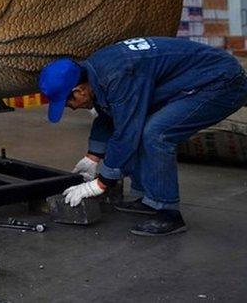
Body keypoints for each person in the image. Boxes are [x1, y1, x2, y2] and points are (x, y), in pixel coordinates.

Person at [39, 37, 247, 236]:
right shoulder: (96, 72)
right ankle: (150, 199)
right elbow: (108, 114)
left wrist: (100, 183)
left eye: (68, 103)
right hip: (199, 79)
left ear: (79, 90)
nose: (72, 109)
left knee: (155, 133)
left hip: (222, 83)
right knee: (140, 126)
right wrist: (92, 156)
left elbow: (126, 132)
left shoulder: (118, 74)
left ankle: (169, 214)